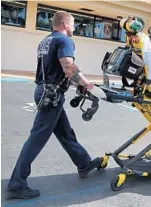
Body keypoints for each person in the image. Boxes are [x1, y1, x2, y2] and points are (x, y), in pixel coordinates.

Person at [5, 11, 107, 200]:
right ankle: (16, 183)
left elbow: (58, 68)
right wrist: (89, 85)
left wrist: (79, 84)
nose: (75, 28)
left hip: (46, 91)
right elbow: (68, 67)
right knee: (36, 139)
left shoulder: (46, 41)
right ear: (66, 24)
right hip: (51, 95)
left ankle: (83, 163)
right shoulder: (65, 40)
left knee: (65, 132)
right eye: (74, 24)